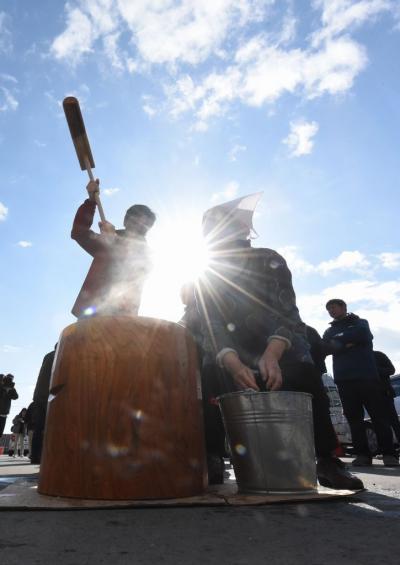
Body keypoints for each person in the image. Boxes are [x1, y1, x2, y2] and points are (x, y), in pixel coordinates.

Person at [195, 193, 363, 490]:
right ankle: (212, 456)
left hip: (275, 348)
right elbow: (212, 325)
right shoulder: (206, 273)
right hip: (229, 352)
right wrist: (233, 363)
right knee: (208, 375)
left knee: (306, 371)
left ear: (242, 230)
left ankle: (326, 459)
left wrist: (272, 352)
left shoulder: (269, 259)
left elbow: (288, 314)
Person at [323, 299, 398, 466]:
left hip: (368, 378)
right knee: (354, 420)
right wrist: (348, 342)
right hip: (344, 380)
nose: (331, 311)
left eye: (333, 307)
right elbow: (327, 347)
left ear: (343, 307)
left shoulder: (360, 323)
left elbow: (363, 335)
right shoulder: (329, 330)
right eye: (328, 309)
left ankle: (389, 454)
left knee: (379, 417)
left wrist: (339, 342)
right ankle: (363, 455)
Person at [71, 179, 156, 318]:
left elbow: (130, 268)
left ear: (148, 228)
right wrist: (91, 202)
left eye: (144, 223)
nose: (138, 224)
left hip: (120, 321)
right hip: (90, 316)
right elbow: (79, 233)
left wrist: (113, 240)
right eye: (134, 218)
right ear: (125, 221)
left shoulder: (147, 255)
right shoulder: (107, 241)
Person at [30, 346, 57, 464]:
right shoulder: (59, 354)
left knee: (39, 427)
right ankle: (49, 455)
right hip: (48, 395)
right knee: (52, 426)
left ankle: (35, 456)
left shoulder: (48, 355)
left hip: (39, 395)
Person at [374, 350, 400, 444]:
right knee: (380, 425)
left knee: (394, 422)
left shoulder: (378, 355)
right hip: (370, 397)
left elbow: (391, 370)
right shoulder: (358, 359)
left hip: (385, 394)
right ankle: (387, 450)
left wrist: (375, 370)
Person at [0, 374, 19, 438]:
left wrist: (11, 389)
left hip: (4, 414)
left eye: (11, 379)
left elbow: (16, 397)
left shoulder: (11, 388)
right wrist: (3, 387)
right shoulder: (1, 386)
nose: (9, 380)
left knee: (0, 433)